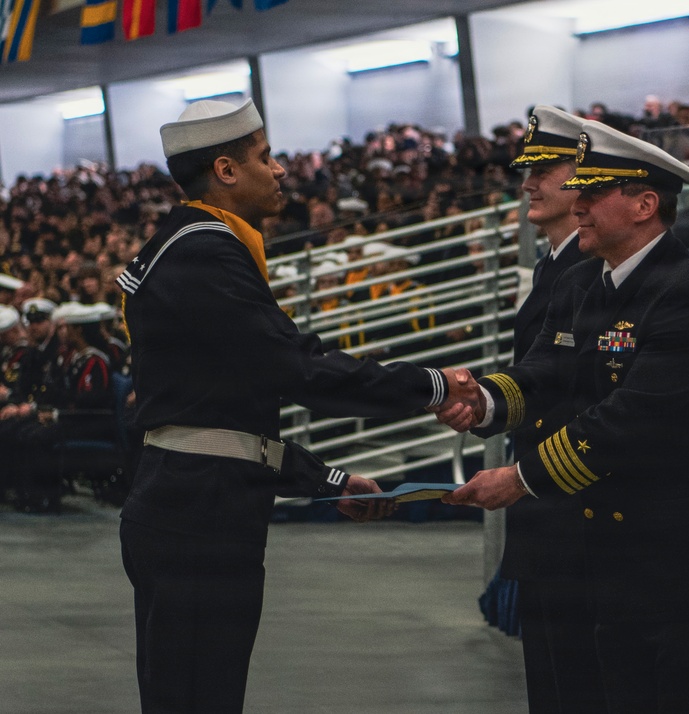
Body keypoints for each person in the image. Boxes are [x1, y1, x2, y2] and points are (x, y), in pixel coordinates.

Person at [115, 98, 478, 713]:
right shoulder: (205, 251)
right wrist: (432, 386)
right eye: (266, 156)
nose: (280, 169)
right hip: (199, 516)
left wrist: (329, 479)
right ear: (226, 171)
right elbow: (294, 368)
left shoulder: (184, 244)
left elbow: (223, 421)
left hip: (192, 502)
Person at [436, 120, 689, 713]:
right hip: (612, 559)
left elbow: (635, 416)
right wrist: (481, 400)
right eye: (577, 189)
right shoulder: (584, 280)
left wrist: (520, 477)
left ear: (644, 204)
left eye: (593, 192)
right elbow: (542, 375)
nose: (577, 204)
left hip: (688, 564)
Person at [497, 105, 601, 714]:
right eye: (527, 171)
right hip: (545, 505)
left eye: (546, 169)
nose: (529, 183)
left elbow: (573, 395)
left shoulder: (589, 270)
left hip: (572, 512)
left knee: (574, 685)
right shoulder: (557, 267)